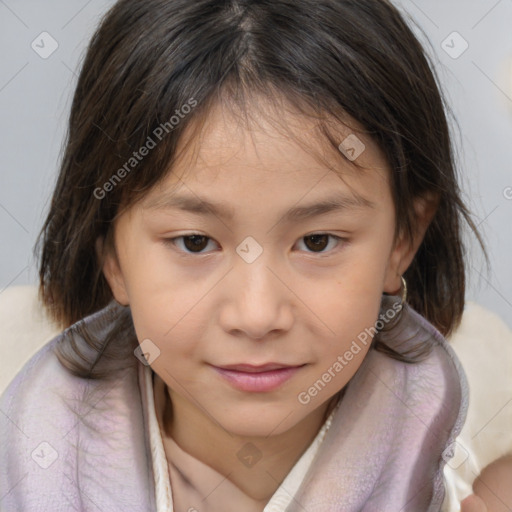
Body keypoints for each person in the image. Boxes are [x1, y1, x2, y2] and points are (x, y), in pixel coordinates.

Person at [0, 0, 489, 510]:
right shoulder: (20, 442)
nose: (257, 316)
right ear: (112, 255)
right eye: (194, 242)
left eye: (318, 241)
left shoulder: (477, 464)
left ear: (403, 239)